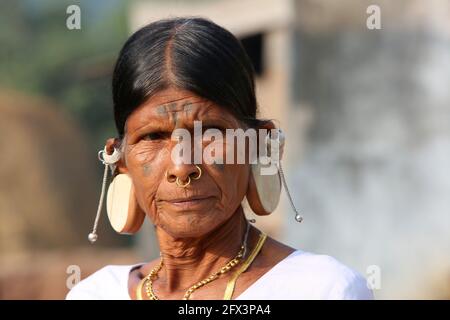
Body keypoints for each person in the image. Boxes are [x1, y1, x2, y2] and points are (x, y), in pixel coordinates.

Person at [66, 17, 373, 300]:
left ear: (261, 145)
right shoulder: (95, 294)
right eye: (153, 137)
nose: (182, 167)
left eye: (210, 133)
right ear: (120, 160)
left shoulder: (322, 289)